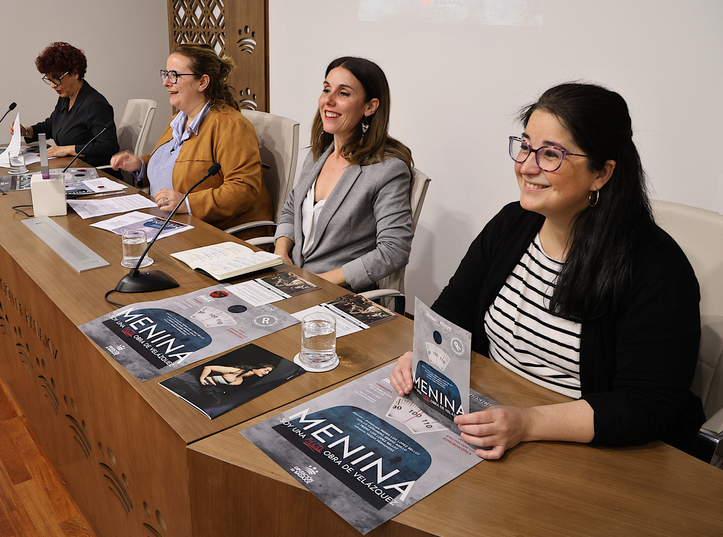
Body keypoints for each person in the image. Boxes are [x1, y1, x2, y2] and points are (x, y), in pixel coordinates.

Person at [390, 82, 705, 459]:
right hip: (496, 418)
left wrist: (528, 423)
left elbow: (645, 406)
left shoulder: (656, 269)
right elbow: (454, 311)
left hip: (591, 448)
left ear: (601, 173)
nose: (526, 166)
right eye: (525, 146)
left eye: (551, 154)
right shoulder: (512, 224)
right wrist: (421, 352)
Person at [273, 57, 414, 292]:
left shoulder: (388, 170)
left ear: (370, 107)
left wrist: (322, 282)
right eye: (326, 89)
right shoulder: (318, 154)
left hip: (336, 293)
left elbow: (394, 249)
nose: (328, 100)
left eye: (343, 93)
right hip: (292, 280)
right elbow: (291, 208)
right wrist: (281, 252)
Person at [111, 44, 272, 236]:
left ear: (202, 82)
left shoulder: (231, 125)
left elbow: (243, 188)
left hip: (215, 234)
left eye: (175, 76)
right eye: (166, 74)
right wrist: (141, 165)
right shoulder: (178, 120)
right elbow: (176, 166)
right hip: (171, 224)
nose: (166, 83)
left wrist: (187, 203)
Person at [14, 42, 119, 168]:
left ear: (75, 73)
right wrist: (25, 131)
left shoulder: (95, 105)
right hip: (70, 168)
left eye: (57, 79)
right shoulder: (66, 98)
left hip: (94, 174)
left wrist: (67, 149)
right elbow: (51, 126)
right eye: (49, 79)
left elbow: (107, 147)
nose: (53, 85)